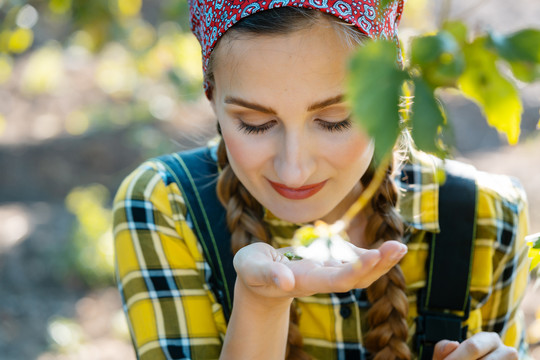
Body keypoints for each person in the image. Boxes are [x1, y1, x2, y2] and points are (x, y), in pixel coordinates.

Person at [113, 1, 531, 359]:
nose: (295, 170)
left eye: (334, 120)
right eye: (256, 124)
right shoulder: (166, 206)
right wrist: (261, 304)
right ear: (212, 97)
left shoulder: (485, 218)